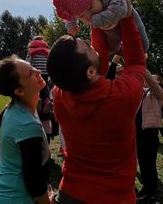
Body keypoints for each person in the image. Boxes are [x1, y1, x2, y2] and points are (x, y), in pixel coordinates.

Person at [47, 13, 146, 202]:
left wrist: (97, 19)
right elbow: (136, 62)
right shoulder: (121, 97)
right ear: (90, 72)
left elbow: (96, 65)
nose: (87, 41)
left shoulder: (61, 97)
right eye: (85, 45)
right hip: (114, 198)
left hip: (70, 194)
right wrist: (124, 15)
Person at [52, 0, 149, 75]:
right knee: (112, 48)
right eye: (81, 16)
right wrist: (71, 25)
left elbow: (120, 7)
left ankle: (139, 52)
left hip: (124, 18)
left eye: (90, 8)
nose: (89, 16)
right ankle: (123, 54)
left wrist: (96, 20)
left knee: (143, 45)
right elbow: (70, 16)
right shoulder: (81, 11)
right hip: (108, 30)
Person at [0, 56, 53, 204]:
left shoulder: (13, 110)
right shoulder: (27, 124)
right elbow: (33, 182)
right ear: (19, 91)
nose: (38, 71)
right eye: (30, 73)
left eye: (33, 67)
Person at [135, 70, 163, 202]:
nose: (151, 80)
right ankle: (146, 188)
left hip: (149, 134)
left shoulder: (158, 95)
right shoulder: (142, 93)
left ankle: (151, 192)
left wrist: (142, 68)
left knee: (149, 164)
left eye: (155, 79)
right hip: (138, 133)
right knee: (142, 163)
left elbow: (154, 86)